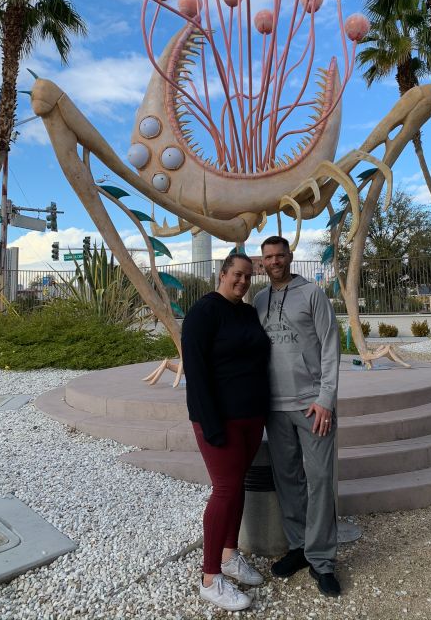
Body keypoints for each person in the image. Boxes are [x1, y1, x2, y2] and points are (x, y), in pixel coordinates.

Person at [253, 235, 341, 597]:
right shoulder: (259, 300)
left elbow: (331, 346)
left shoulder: (312, 294)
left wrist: (326, 399)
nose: (275, 261)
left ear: (290, 257)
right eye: (268, 257)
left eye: (280, 255)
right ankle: (299, 548)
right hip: (274, 406)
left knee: (320, 479)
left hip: (311, 403)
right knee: (287, 478)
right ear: (263, 262)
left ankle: (322, 560)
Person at [182, 252, 270, 612]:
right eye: (237, 274)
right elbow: (197, 374)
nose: (243, 281)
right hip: (220, 420)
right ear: (222, 274)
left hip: (252, 416)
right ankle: (210, 577)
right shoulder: (203, 313)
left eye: (248, 276)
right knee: (225, 490)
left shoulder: (248, 313)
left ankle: (230, 553)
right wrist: (211, 424)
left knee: (238, 488)